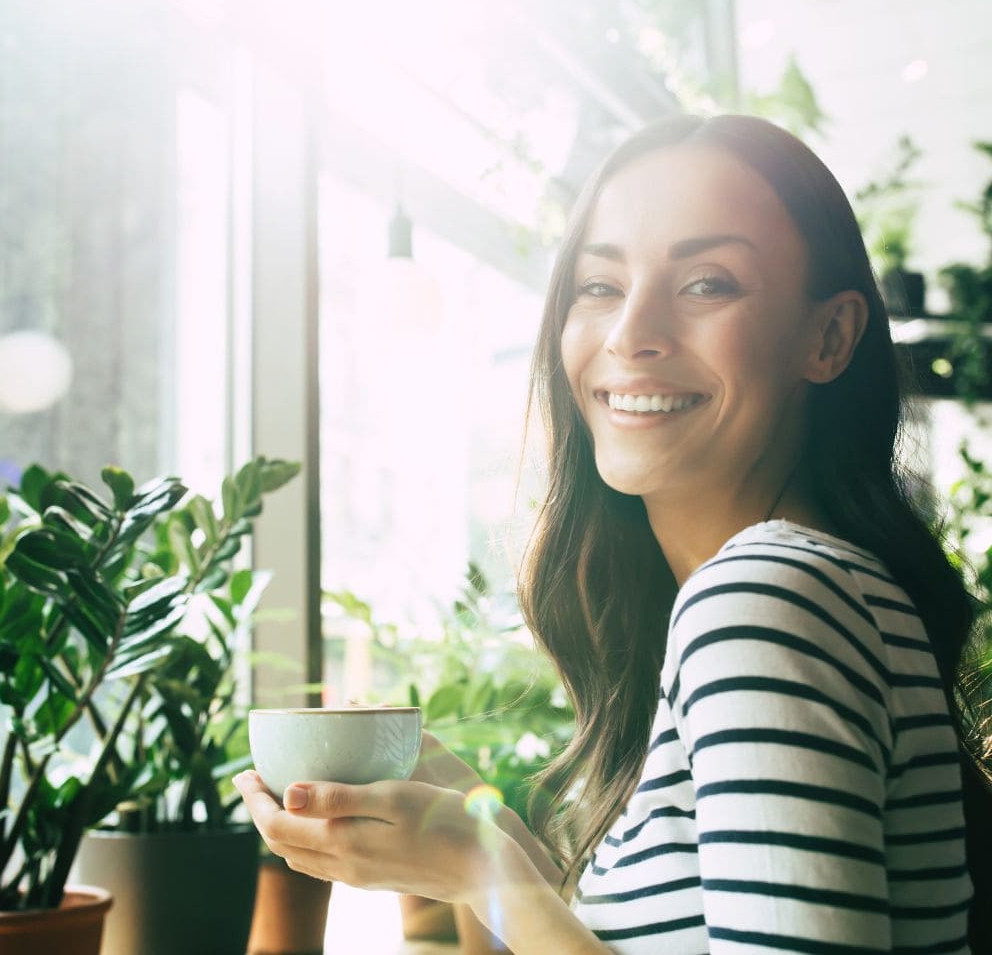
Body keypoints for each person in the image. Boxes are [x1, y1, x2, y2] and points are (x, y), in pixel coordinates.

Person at [234, 114, 988, 953]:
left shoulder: (764, 599)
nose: (631, 335)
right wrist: (480, 828)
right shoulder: (810, 591)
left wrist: (485, 874)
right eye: (599, 287)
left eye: (707, 283)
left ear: (829, 336)